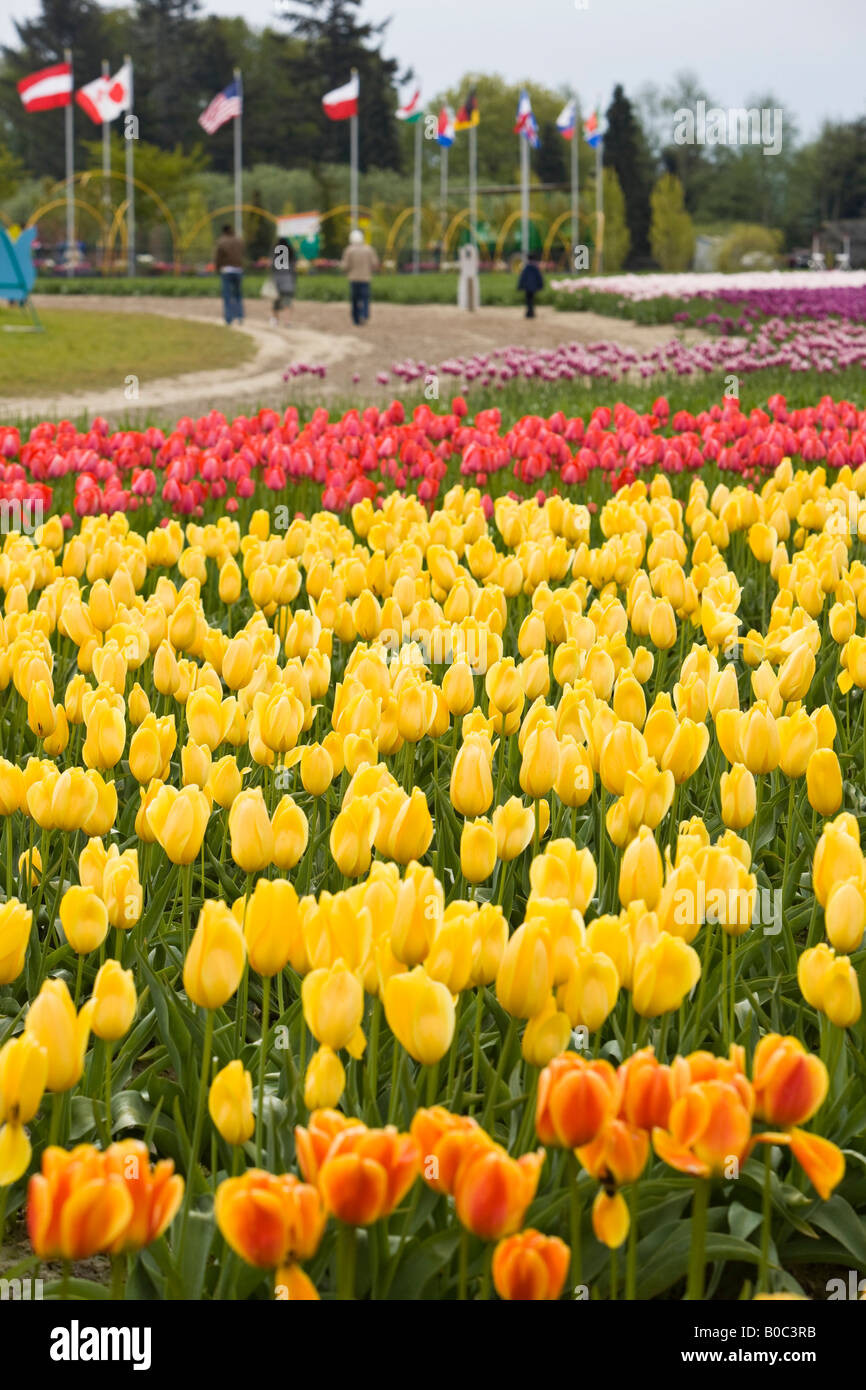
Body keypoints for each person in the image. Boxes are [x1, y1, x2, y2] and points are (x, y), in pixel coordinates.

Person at [340, 228, 380, 325]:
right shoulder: (369, 249)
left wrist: (344, 269)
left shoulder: (349, 250)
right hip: (365, 278)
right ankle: (365, 314)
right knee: (365, 297)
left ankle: (356, 319)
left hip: (353, 278)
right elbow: (375, 263)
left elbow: (345, 266)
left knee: (355, 299)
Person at [215, 223, 245, 325]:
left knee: (227, 295)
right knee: (238, 294)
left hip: (226, 271)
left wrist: (217, 268)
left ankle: (229, 319)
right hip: (238, 270)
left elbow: (218, 258)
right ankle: (240, 316)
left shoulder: (221, 242)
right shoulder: (239, 241)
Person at [270, 237, 297, 327]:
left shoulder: (276, 252)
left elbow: (273, 267)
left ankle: (275, 320)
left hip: (277, 280)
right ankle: (287, 322)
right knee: (287, 302)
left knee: (276, 301)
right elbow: (294, 268)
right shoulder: (291, 253)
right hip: (288, 280)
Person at [517, 251, 544, 319]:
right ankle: (531, 312)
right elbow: (539, 277)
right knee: (531, 299)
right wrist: (540, 285)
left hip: (527, 286)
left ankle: (529, 312)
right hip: (533, 287)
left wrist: (520, 286)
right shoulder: (536, 267)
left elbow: (523, 277)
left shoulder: (526, 267)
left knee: (528, 300)